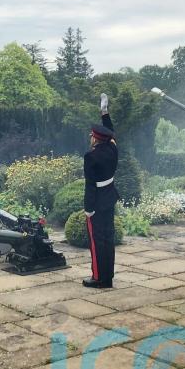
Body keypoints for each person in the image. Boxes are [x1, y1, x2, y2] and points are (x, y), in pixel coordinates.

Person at [82, 93, 119, 289]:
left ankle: (99, 278)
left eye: (92, 135)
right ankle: (109, 277)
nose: (90, 136)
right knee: (108, 238)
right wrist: (105, 113)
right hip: (109, 198)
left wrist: (88, 208)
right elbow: (111, 132)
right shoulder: (112, 149)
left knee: (97, 243)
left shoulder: (91, 156)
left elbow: (90, 185)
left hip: (96, 202)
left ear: (96, 139)